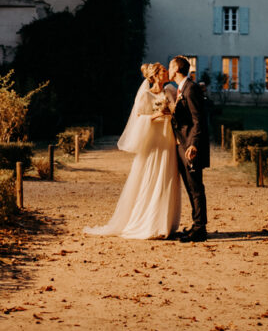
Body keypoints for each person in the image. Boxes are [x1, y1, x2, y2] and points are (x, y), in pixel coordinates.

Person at [84, 63, 181, 239]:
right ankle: (147, 222)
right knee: (150, 179)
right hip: (153, 142)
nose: (167, 73)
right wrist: (157, 114)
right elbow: (138, 119)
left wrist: (171, 112)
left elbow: (177, 112)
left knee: (166, 179)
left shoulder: (169, 91)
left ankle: (163, 224)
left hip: (168, 141)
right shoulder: (145, 95)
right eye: (164, 72)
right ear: (156, 75)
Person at [169, 54, 209, 242]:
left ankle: (200, 229)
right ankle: (196, 224)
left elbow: (198, 120)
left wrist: (193, 144)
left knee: (195, 188)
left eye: (170, 66)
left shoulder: (190, 89)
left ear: (177, 69)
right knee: (190, 187)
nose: (168, 70)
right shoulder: (181, 89)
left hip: (190, 147)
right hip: (183, 145)